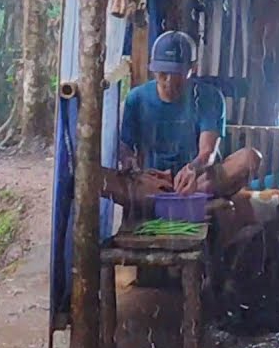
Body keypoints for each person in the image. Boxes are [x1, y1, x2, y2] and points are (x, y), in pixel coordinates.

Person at [103, 30, 262, 218]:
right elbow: (126, 148)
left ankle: (183, 203)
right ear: (152, 68)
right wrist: (135, 169)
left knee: (251, 157)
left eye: (177, 73)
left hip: (199, 181)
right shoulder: (136, 98)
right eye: (163, 73)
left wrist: (191, 169)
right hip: (155, 185)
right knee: (99, 178)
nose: (169, 81)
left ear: (192, 68)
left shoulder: (209, 97)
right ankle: (188, 207)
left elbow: (208, 152)